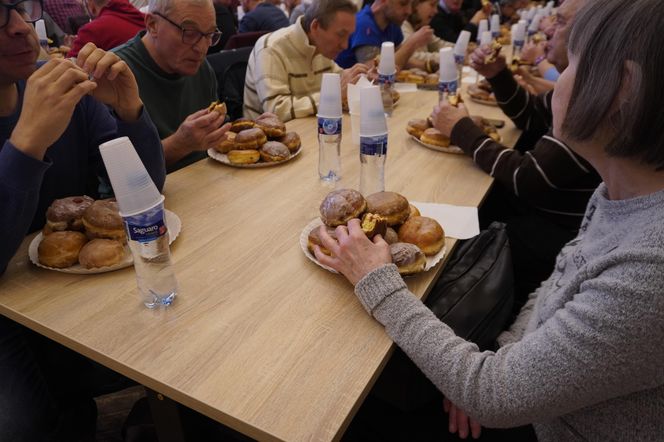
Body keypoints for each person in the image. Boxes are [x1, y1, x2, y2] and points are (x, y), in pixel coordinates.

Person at [315, 1, 664, 440]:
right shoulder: (620, 195)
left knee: (358, 406)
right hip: (525, 397)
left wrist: (376, 278)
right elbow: (561, 282)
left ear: (623, 89)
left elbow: (492, 397)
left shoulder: (651, 268)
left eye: (572, 62)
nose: (555, 80)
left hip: (545, 428)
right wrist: (501, 356)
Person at [0, 1, 165, 439]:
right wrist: (27, 143)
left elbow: (144, 195)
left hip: (71, 283)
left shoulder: (59, 87)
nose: (19, 28)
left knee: (176, 342)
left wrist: (130, 110)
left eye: (17, 9)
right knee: (21, 424)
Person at [430, 0, 598, 308]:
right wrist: (499, 75)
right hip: (549, 207)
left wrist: (461, 130)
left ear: (590, 35)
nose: (547, 31)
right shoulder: (585, 84)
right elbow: (533, 116)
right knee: (461, 195)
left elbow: (527, 177)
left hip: (556, 232)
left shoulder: (592, 98)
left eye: (559, 23)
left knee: (456, 228)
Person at [114, 0, 231, 172]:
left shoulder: (201, 67)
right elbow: (119, 174)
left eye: (210, 35)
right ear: (153, 25)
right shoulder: (116, 75)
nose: (201, 48)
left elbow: (217, 141)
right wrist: (179, 144)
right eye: (189, 33)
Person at [244, 0, 370, 121]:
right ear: (315, 26)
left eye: (349, 36)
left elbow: (341, 85)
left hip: (306, 130)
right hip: (268, 138)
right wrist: (333, 96)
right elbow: (277, 111)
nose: (345, 45)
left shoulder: (321, 48)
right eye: (341, 35)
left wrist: (365, 80)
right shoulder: (271, 48)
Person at [334, 0, 435, 70]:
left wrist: (427, 66)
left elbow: (400, 60)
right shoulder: (364, 24)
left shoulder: (392, 23)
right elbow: (376, 71)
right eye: (403, 3)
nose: (408, 11)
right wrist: (412, 43)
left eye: (410, 5)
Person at [67, 0, 145, 57]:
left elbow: (67, 70)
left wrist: (72, 48)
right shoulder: (145, 18)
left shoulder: (91, 31)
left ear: (91, 5)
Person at [401, 0, 451, 70]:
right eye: (432, 5)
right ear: (416, 5)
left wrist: (462, 49)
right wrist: (450, 56)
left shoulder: (420, 26)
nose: (436, 11)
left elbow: (440, 44)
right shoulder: (402, 26)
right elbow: (410, 57)